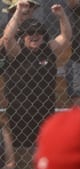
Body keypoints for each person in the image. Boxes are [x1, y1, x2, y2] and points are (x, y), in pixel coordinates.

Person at [1, 3, 71, 157]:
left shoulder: (47, 49)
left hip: (45, 111)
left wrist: (62, 16)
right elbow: (7, 38)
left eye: (39, 32)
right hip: (20, 113)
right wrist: (19, 11)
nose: (35, 35)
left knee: (46, 152)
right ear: (23, 36)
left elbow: (65, 38)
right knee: (23, 154)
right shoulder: (18, 52)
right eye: (30, 32)